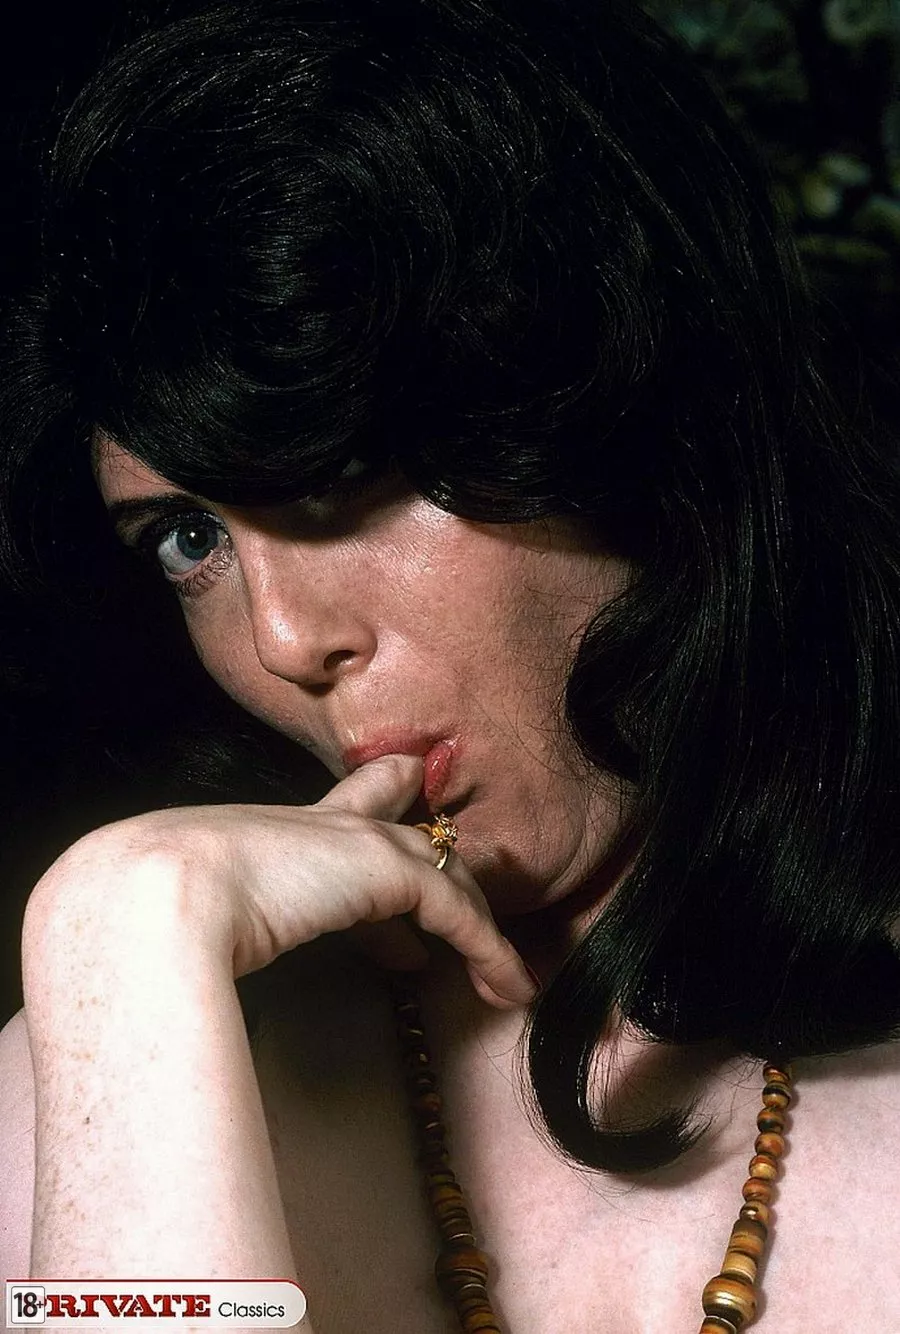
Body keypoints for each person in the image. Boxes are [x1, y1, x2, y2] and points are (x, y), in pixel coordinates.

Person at [1, 0, 899, 1328]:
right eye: (190, 538)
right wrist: (123, 920)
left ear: (624, 422)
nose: (283, 639)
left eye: (346, 470)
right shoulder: (113, 1052)